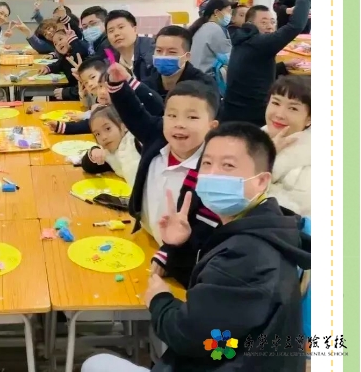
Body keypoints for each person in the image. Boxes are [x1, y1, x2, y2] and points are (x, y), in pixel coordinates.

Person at [82, 122, 310, 372]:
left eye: (228, 166)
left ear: (261, 181)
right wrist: (179, 247)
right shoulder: (261, 225)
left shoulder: (248, 255)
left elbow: (188, 334)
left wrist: (159, 300)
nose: (212, 175)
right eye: (207, 163)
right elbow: (211, 293)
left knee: (95, 364)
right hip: (229, 356)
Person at [108, 64, 221, 286]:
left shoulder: (213, 169)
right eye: (172, 115)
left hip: (180, 259)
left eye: (192, 117)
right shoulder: (157, 137)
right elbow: (133, 113)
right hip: (146, 238)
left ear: (212, 126)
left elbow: (205, 228)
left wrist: (170, 252)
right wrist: (117, 85)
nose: (179, 124)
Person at [220, 0, 311, 126]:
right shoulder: (259, 43)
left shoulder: (243, 38)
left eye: (272, 22)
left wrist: (282, 66)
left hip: (233, 111)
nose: (269, 26)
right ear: (250, 23)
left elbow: (255, 71)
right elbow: (295, 26)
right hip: (252, 118)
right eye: (263, 22)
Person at [263, 76, 311, 215]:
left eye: (293, 108)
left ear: (309, 119)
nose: (279, 114)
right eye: (276, 103)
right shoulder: (253, 138)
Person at [143, 26, 214, 101]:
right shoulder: (146, 86)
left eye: (172, 52)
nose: (164, 56)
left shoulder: (203, 86)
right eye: (159, 51)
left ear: (187, 56)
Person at [80, 106, 141, 187]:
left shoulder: (135, 140)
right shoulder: (108, 152)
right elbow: (88, 167)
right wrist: (94, 152)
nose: (103, 137)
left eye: (108, 129)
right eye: (97, 134)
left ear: (124, 126)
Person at [37, 28, 90, 100]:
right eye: (55, 44)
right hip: (71, 91)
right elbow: (58, 64)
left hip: (79, 94)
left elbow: (81, 50)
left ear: (69, 38)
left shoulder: (80, 52)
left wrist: (73, 40)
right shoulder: (65, 57)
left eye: (60, 39)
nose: (59, 44)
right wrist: (47, 68)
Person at [104, 10, 155, 81]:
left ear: (135, 29)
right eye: (111, 31)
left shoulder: (151, 51)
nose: (116, 33)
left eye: (121, 27)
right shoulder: (111, 60)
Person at [188, 0, 233, 73]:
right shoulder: (215, 29)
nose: (230, 16)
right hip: (206, 75)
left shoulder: (203, 27)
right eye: (228, 12)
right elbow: (228, 58)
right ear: (216, 12)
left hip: (196, 72)